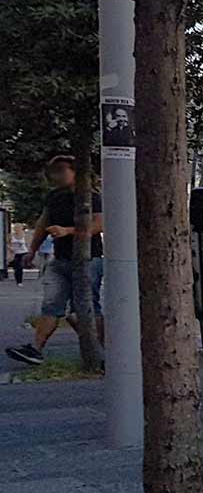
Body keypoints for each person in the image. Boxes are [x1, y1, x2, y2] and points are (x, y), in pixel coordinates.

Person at [6, 156, 105, 366]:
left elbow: (98, 225)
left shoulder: (91, 196)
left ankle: (101, 349)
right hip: (60, 259)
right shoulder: (54, 197)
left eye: (61, 170)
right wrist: (31, 250)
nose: (56, 175)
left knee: (86, 306)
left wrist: (67, 231)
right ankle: (35, 349)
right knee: (52, 303)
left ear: (75, 172)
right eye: (53, 171)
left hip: (88, 259)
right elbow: (43, 223)